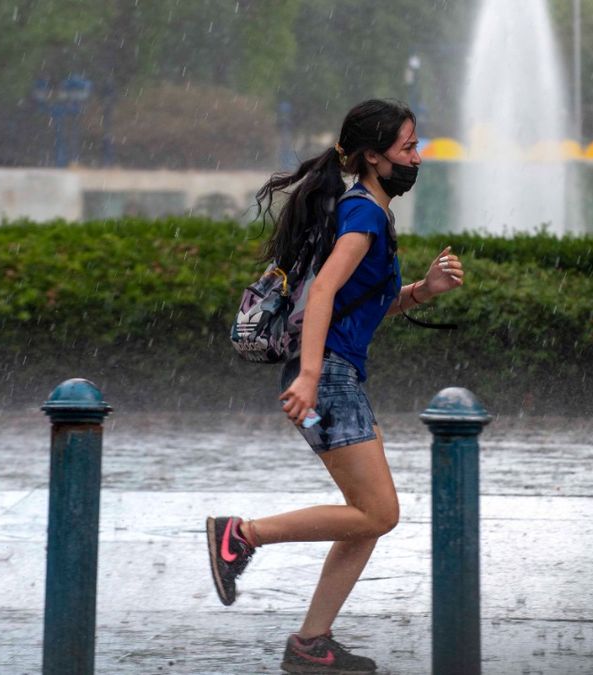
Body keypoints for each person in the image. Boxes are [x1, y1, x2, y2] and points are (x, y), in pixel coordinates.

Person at [207, 99, 464, 674]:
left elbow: (361, 306)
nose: (417, 157)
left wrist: (425, 290)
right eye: (408, 148)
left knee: (366, 516)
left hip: (337, 375)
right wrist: (311, 376)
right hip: (331, 380)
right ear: (374, 157)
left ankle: (311, 643)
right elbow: (321, 293)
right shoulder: (365, 216)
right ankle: (241, 535)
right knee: (379, 513)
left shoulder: (368, 211)